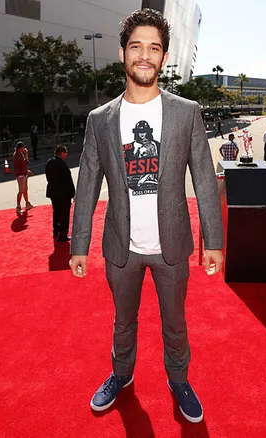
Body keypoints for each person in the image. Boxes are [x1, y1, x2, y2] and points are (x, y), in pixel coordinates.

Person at [69, 8, 223, 424]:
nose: (144, 55)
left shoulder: (185, 112)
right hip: (122, 248)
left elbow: (205, 181)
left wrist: (214, 242)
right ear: (122, 54)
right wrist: (78, 244)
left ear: (164, 56)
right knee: (123, 322)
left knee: (175, 325)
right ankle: (121, 375)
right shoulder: (100, 121)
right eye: (136, 46)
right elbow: (87, 186)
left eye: (154, 47)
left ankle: (179, 381)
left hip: (171, 246)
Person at [45, 145, 75, 241]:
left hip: (53, 192)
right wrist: (72, 193)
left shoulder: (49, 163)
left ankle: (55, 230)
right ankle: (63, 234)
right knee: (64, 214)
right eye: (65, 153)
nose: (66, 155)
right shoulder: (62, 165)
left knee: (56, 212)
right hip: (63, 193)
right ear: (62, 153)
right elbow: (68, 180)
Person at [13, 141, 34, 214]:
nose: (24, 148)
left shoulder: (19, 154)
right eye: (23, 147)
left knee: (25, 189)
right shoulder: (17, 155)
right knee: (21, 191)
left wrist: (26, 170)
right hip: (20, 175)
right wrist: (26, 154)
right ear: (20, 148)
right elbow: (25, 162)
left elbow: (22, 165)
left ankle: (27, 203)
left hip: (23, 173)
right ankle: (18, 206)